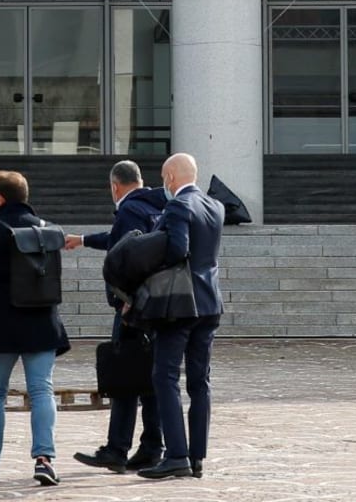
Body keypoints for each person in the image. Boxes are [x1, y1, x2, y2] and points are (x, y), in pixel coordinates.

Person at [0, 170, 68, 486]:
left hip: (0, 322)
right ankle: (44, 460)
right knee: (42, 390)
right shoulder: (47, 231)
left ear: (0, 197)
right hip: (41, 321)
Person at [64, 160, 168, 473]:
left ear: (115, 186)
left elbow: (125, 256)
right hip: (160, 305)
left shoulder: (128, 210)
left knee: (123, 378)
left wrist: (124, 302)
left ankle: (116, 449)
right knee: (151, 380)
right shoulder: (157, 207)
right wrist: (83, 240)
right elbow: (120, 240)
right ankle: (152, 447)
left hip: (134, 308)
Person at [139, 153, 225, 482]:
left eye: (164, 178)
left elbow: (176, 249)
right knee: (200, 382)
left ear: (171, 178)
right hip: (210, 303)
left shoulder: (177, 206)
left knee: (165, 377)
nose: (164, 184)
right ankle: (197, 456)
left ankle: (176, 455)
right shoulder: (214, 206)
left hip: (180, 305)